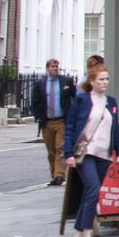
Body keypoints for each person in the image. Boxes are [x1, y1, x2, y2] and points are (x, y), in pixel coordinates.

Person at [63, 65, 119, 237]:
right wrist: (68, 154)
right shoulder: (82, 100)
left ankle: (76, 236)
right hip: (85, 153)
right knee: (92, 189)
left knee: (88, 195)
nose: (105, 82)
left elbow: (115, 131)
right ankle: (87, 235)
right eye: (101, 79)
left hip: (103, 155)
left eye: (106, 79)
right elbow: (71, 126)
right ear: (91, 82)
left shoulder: (112, 103)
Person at [31, 58, 77, 186]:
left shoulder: (66, 81)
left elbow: (75, 97)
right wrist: (38, 116)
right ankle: (54, 175)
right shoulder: (40, 84)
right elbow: (35, 101)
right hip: (47, 122)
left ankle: (60, 175)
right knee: (51, 151)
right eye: (53, 66)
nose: (55, 68)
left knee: (60, 148)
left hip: (62, 121)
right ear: (48, 68)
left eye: (57, 66)